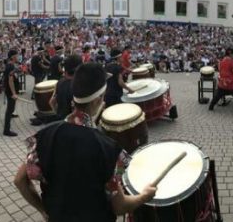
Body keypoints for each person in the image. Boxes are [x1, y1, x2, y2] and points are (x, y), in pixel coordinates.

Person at [13, 63, 156, 221]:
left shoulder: (44, 137)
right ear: (98, 100)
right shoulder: (108, 149)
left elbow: (20, 180)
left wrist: (44, 210)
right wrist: (144, 196)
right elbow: (120, 207)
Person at [49, 54, 82, 121]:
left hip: (61, 121)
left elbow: (51, 102)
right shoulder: (78, 86)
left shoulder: (59, 82)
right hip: (73, 125)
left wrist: (58, 114)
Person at [3, 49, 20, 137]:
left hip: (10, 91)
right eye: (17, 55)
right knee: (9, 110)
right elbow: (10, 81)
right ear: (13, 57)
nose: (18, 57)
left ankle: (11, 114)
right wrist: (14, 93)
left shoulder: (11, 65)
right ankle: (6, 130)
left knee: (11, 108)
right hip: (10, 92)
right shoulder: (10, 66)